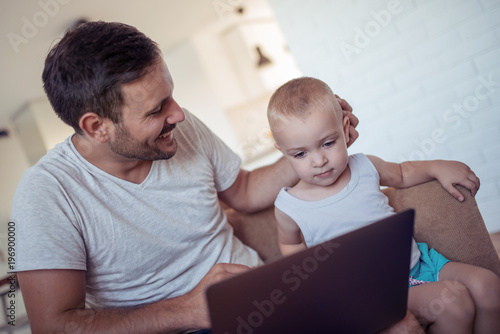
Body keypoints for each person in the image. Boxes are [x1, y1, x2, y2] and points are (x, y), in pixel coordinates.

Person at [11, 21, 424, 334]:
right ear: (96, 126)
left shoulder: (182, 128)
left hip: (268, 296)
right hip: (186, 327)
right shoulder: (48, 193)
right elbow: (54, 324)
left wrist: (314, 149)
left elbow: (243, 191)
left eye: (171, 95)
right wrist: (188, 308)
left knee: (401, 325)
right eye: (157, 110)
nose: (178, 114)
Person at [267, 76, 500, 333]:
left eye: (328, 143)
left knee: (489, 286)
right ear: (283, 151)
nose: (318, 160)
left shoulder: (365, 166)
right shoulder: (290, 206)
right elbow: (290, 244)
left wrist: (437, 167)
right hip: (372, 293)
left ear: (346, 129)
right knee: (454, 302)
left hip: (420, 263)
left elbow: (402, 173)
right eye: (300, 154)